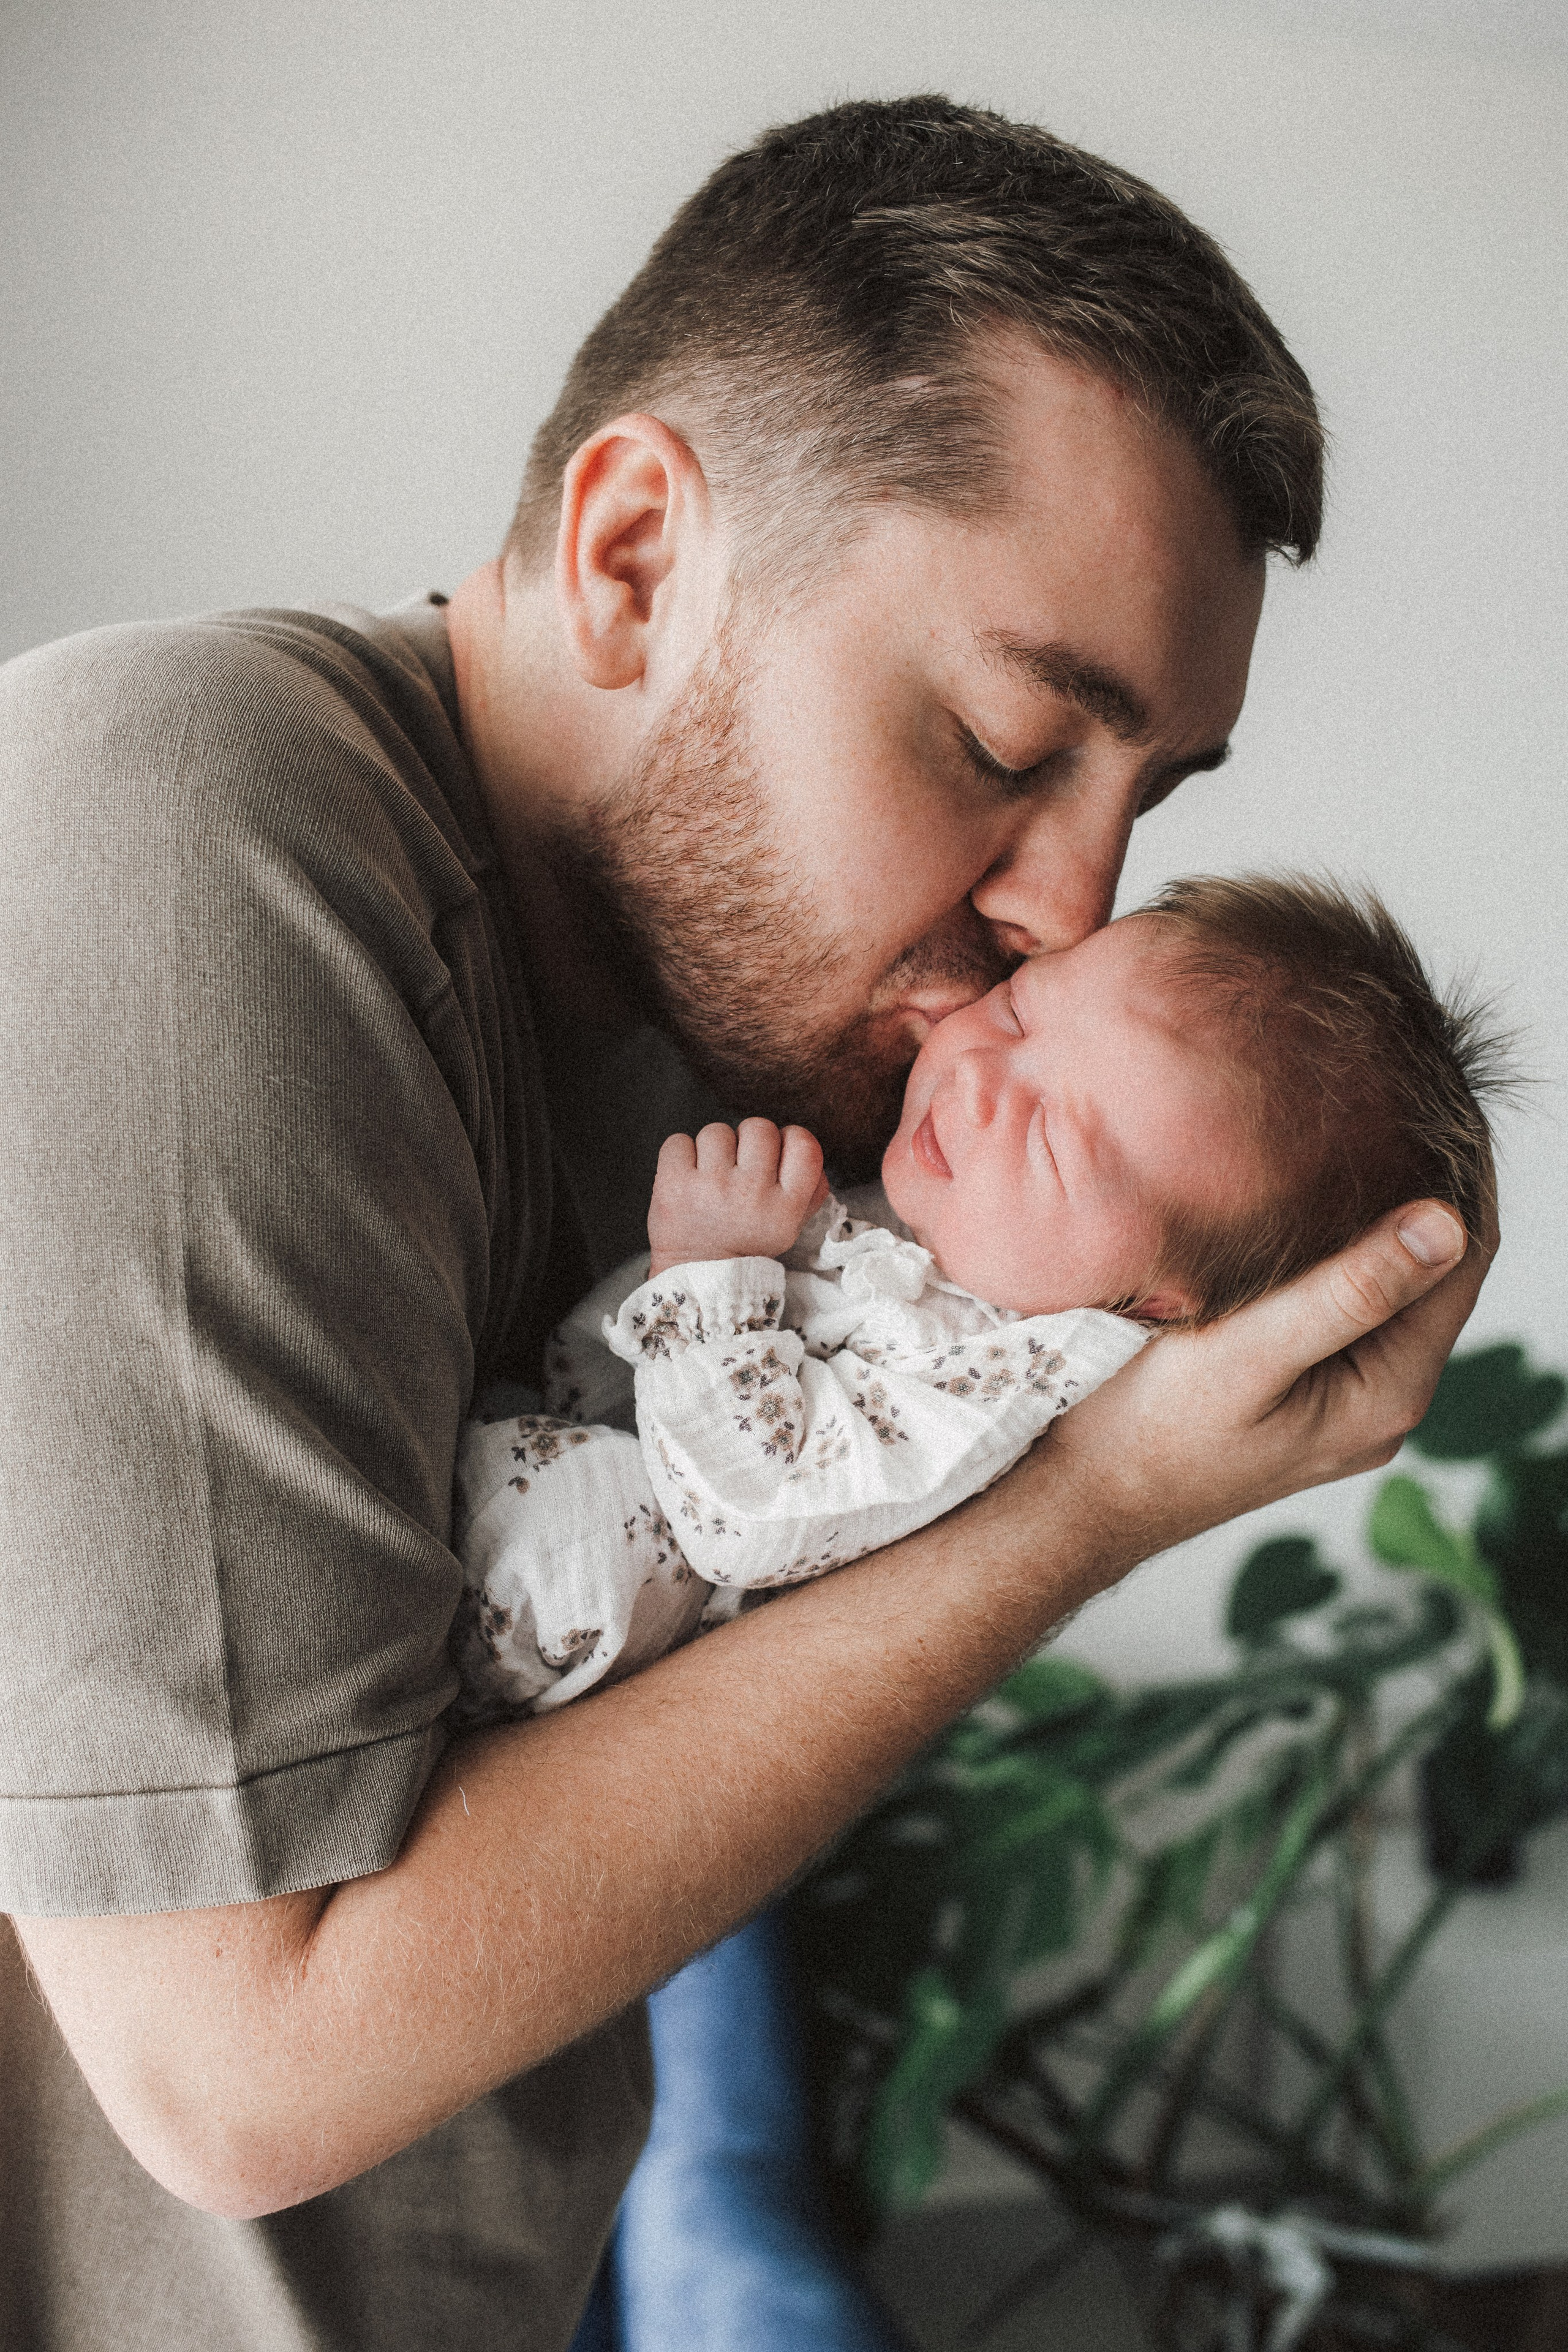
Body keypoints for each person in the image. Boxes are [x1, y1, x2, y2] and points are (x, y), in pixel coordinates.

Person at [0, 97, 1490, 2352]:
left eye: (1145, 801)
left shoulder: (733, 1046)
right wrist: (1101, 1501)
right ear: (630, 559)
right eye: (1009, 744)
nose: (1075, 909)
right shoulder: (190, 841)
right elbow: (241, 2071)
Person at [454, 875, 1501, 1724]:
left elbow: (750, 1512)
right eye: (1018, 1008)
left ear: (1157, 1306)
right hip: (540, 1422)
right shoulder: (963, 1231)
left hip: (563, 1597)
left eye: (1051, 1140)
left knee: (568, 1523)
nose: (982, 1077)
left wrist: (711, 1272)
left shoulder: (998, 1376)